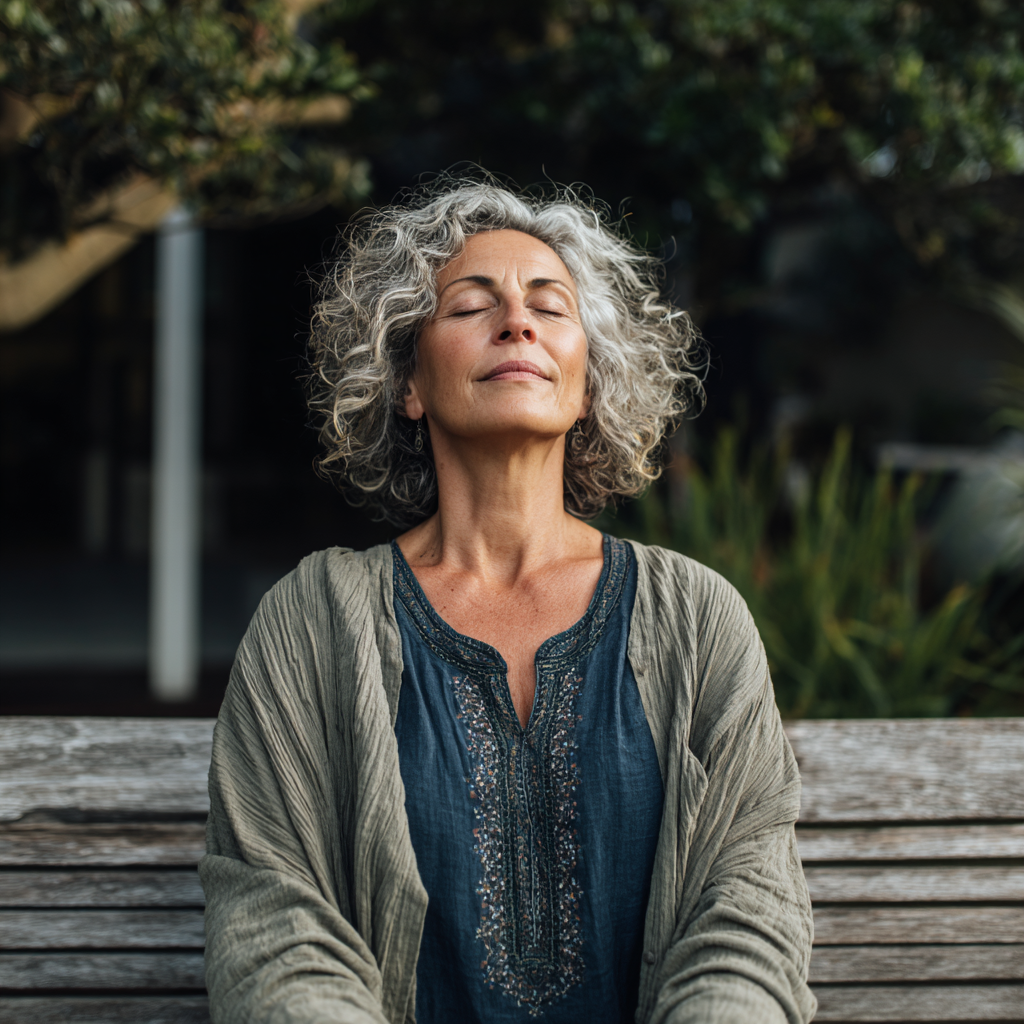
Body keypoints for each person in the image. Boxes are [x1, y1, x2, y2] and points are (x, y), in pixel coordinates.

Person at [200, 180, 816, 1024]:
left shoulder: (698, 617)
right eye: (470, 305)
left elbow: (748, 903)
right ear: (407, 381)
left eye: (549, 306)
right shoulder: (311, 621)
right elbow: (273, 917)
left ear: (590, 381)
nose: (517, 322)